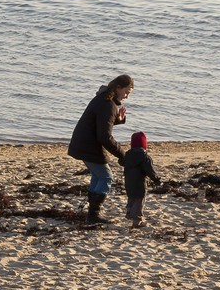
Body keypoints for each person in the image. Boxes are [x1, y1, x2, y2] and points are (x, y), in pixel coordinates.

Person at [67, 73, 132, 226]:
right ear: (118, 87)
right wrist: (122, 154)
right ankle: (93, 214)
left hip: (83, 144)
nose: (126, 97)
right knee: (106, 177)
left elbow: (99, 124)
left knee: (98, 176)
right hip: (88, 145)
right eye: (126, 92)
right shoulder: (107, 104)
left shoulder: (103, 99)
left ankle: (91, 212)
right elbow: (104, 136)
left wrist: (117, 120)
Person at [121, 131, 163, 228]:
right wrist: (156, 180)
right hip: (140, 182)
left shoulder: (128, 155)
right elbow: (150, 171)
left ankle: (129, 212)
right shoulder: (144, 157)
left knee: (131, 197)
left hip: (128, 182)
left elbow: (121, 162)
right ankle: (137, 221)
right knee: (139, 200)